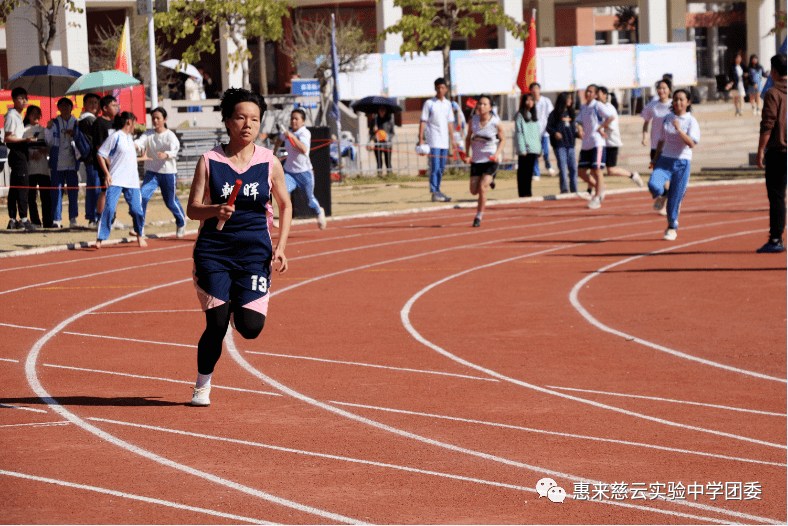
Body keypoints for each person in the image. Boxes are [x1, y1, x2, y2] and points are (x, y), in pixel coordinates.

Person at [187, 88, 292, 406]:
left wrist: (282, 246)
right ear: (228, 121)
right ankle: (202, 384)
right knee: (216, 324)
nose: (248, 124)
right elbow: (192, 209)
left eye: (255, 119)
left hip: (254, 253)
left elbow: (285, 206)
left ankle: (236, 304)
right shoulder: (209, 161)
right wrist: (214, 210)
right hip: (214, 252)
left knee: (250, 328)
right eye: (241, 117)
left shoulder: (270, 163)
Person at [647, 89, 700, 241]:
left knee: (674, 201)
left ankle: (671, 228)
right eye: (675, 99)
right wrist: (654, 159)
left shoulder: (691, 121)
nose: (678, 102)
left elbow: (691, 143)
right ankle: (663, 194)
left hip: (682, 163)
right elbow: (661, 140)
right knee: (653, 185)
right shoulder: (667, 118)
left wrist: (679, 129)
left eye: (681, 99)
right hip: (664, 160)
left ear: (688, 102)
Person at [95, 112, 148, 249]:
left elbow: (128, 160)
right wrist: (107, 174)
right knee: (110, 208)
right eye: (135, 122)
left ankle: (139, 235)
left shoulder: (130, 139)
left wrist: (142, 158)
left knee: (137, 211)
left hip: (132, 182)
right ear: (129, 122)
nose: (135, 125)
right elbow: (101, 154)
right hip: (116, 179)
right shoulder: (115, 136)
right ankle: (100, 238)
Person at [134, 107, 186, 238]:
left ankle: (181, 222)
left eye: (158, 118)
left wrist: (167, 154)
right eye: (153, 118)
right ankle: (140, 228)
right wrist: (134, 145)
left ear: (164, 119)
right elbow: (140, 142)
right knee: (142, 197)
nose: (155, 121)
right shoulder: (148, 134)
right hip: (152, 172)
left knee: (170, 202)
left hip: (168, 173)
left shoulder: (170, 136)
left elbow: (175, 149)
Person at [754, 53, 787, 253]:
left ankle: (776, 238)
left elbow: (768, 124)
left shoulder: (773, 93)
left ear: (773, 71)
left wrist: (760, 151)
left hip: (779, 151)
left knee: (777, 196)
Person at [272, 108, 326, 229]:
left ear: (303, 121)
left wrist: (292, 137)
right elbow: (279, 140)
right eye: (292, 118)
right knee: (282, 195)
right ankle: (281, 220)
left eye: (296, 119)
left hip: (304, 173)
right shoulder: (288, 133)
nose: (293, 121)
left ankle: (319, 211)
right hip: (289, 172)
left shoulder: (304, 133)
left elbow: (304, 149)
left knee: (309, 200)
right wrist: (273, 154)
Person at [464, 94, 504, 228]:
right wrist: (467, 155)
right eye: (479, 104)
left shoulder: (495, 122)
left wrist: (497, 154)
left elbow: (503, 139)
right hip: (476, 159)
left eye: (484, 104)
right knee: (473, 191)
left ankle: (478, 217)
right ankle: (490, 180)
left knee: (482, 188)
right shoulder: (473, 120)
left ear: (490, 107)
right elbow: (468, 137)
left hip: (490, 159)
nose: (481, 106)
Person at [418, 78, 457, 202]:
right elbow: (423, 121)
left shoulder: (448, 104)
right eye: (438, 87)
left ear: (446, 89)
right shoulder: (429, 103)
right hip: (433, 140)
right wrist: (421, 139)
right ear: (435, 88)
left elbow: (450, 123)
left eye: (442, 88)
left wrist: (453, 140)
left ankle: (438, 190)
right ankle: (434, 191)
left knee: (441, 168)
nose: (440, 90)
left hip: (444, 142)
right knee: (434, 167)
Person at [576, 84, 614, 209]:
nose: (588, 94)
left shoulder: (598, 105)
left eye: (591, 92)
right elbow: (579, 121)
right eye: (587, 91)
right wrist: (580, 130)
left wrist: (601, 127)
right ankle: (600, 187)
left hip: (597, 143)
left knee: (597, 171)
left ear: (596, 94)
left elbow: (611, 116)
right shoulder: (583, 107)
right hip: (586, 144)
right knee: (581, 172)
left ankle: (597, 198)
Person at [45, 97, 80, 229]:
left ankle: (73, 219)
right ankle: (56, 220)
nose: (65, 108)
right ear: (58, 108)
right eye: (62, 106)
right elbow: (48, 141)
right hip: (57, 163)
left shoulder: (77, 122)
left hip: (72, 162)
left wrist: (75, 133)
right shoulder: (54, 122)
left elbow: (81, 140)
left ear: (72, 107)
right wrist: (48, 129)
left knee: (73, 192)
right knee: (56, 192)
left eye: (67, 105)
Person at [597, 86, 643, 188]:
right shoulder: (597, 107)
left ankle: (632, 175)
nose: (596, 95)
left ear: (605, 95)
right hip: (601, 143)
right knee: (595, 167)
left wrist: (599, 128)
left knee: (610, 170)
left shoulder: (609, 108)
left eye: (598, 93)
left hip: (611, 143)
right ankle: (595, 188)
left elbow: (611, 125)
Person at [4, 87, 36, 230]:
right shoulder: (12, 116)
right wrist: (25, 140)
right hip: (17, 153)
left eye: (26, 98)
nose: (24, 101)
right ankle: (23, 219)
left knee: (16, 187)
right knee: (22, 187)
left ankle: (12, 219)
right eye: (21, 98)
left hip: (20, 152)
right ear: (14, 99)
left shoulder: (18, 116)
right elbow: (8, 138)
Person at [22, 106, 51, 228]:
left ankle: (48, 222)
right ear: (28, 115)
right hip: (30, 169)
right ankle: (35, 221)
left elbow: (51, 147)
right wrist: (30, 154)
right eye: (33, 114)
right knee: (31, 197)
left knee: (46, 197)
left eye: (38, 114)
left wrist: (46, 150)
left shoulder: (45, 131)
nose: (36, 116)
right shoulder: (23, 131)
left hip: (44, 169)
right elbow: (21, 148)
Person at [92, 95, 119, 223]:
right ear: (105, 108)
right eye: (113, 105)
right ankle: (100, 218)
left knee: (115, 190)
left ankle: (113, 217)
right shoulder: (99, 123)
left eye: (116, 105)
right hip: (105, 163)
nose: (116, 108)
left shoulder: (116, 122)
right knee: (106, 190)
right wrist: (109, 163)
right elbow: (99, 146)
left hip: (116, 162)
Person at [545, 92, 579, 194]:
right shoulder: (554, 114)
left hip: (571, 145)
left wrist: (578, 134)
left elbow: (573, 130)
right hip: (560, 146)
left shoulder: (571, 113)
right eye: (568, 99)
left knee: (573, 169)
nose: (570, 101)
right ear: (563, 100)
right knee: (563, 169)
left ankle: (574, 190)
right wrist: (555, 133)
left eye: (571, 99)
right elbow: (548, 127)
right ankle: (564, 190)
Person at [514, 92, 542, 199]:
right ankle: (522, 193)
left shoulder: (535, 116)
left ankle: (528, 193)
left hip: (534, 148)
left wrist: (540, 150)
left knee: (530, 173)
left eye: (532, 100)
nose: (529, 102)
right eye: (527, 100)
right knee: (523, 173)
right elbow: (519, 133)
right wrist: (522, 149)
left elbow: (537, 134)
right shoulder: (520, 115)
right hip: (525, 148)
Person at [79, 93, 101, 227]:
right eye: (90, 102)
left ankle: (92, 217)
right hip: (94, 158)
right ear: (84, 104)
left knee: (92, 188)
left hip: (89, 158)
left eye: (96, 102)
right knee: (96, 188)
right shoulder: (90, 120)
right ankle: (95, 217)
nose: (93, 105)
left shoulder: (84, 119)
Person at [530, 82, 556, 181]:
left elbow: (551, 114)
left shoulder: (546, 101)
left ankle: (548, 166)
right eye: (533, 89)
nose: (535, 91)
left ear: (539, 90)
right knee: (535, 153)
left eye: (537, 88)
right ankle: (536, 173)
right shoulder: (530, 102)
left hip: (545, 131)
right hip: (533, 133)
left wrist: (550, 127)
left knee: (545, 152)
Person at [369, 106, 395, 172]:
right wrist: (374, 132)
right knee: (379, 161)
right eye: (380, 109)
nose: (382, 111)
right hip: (378, 144)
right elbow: (370, 133)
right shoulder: (374, 121)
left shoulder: (389, 121)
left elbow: (392, 133)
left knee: (388, 161)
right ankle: (379, 175)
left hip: (387, 144)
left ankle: (389, 174)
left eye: (383, 109)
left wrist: (387, 137)